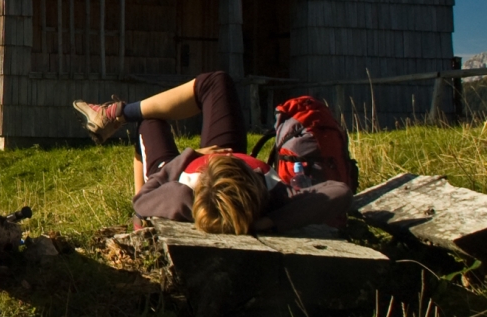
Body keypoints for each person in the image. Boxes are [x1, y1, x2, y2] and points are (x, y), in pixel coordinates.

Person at [73, 71, 353, 234]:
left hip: (178, 168)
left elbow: (142, 199)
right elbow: (339, 191)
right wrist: (267, 221)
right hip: (230, 174)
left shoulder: (183, 198)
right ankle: (114, 113)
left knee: (149, 121)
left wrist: (192, 156)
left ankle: (140, 229)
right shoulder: (275, 197)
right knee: (216, 82)